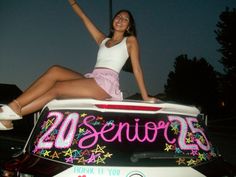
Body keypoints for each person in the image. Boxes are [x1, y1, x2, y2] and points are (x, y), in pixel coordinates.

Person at [0, 0, 158, 130]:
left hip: (105, 84)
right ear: (113, 21)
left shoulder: (130, 41)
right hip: (93, 78)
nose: (120, 20)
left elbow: (137, 68)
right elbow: (84, 19)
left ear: (129, 26)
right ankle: (8, 116)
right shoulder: (103, 40)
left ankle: (14, 106)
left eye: (125, 19)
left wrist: (145, 97)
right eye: (118, 17)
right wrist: (73, 3)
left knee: (57, 89)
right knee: (55, 71)